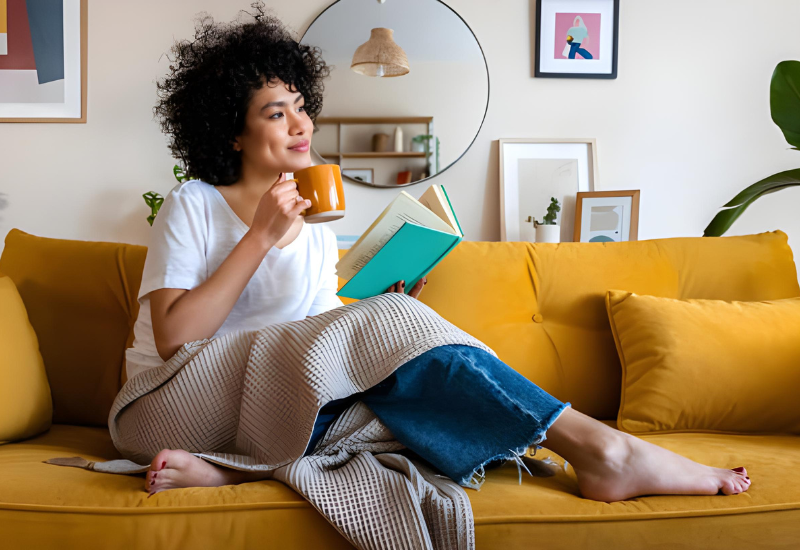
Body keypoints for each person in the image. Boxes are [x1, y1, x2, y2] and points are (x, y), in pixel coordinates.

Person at [132, 3, 751, 503]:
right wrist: (261, 237)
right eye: (276, 113)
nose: (301, 125)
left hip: (270, 404)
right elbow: (173, 338)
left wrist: (377, 310)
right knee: (400, 380)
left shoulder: (315, 226)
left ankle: (236, 468)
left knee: (408, 398)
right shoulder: (195, 204)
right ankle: (605, 449)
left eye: (300, 105)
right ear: (232, 133)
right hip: (173, 402)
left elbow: (313, 343)